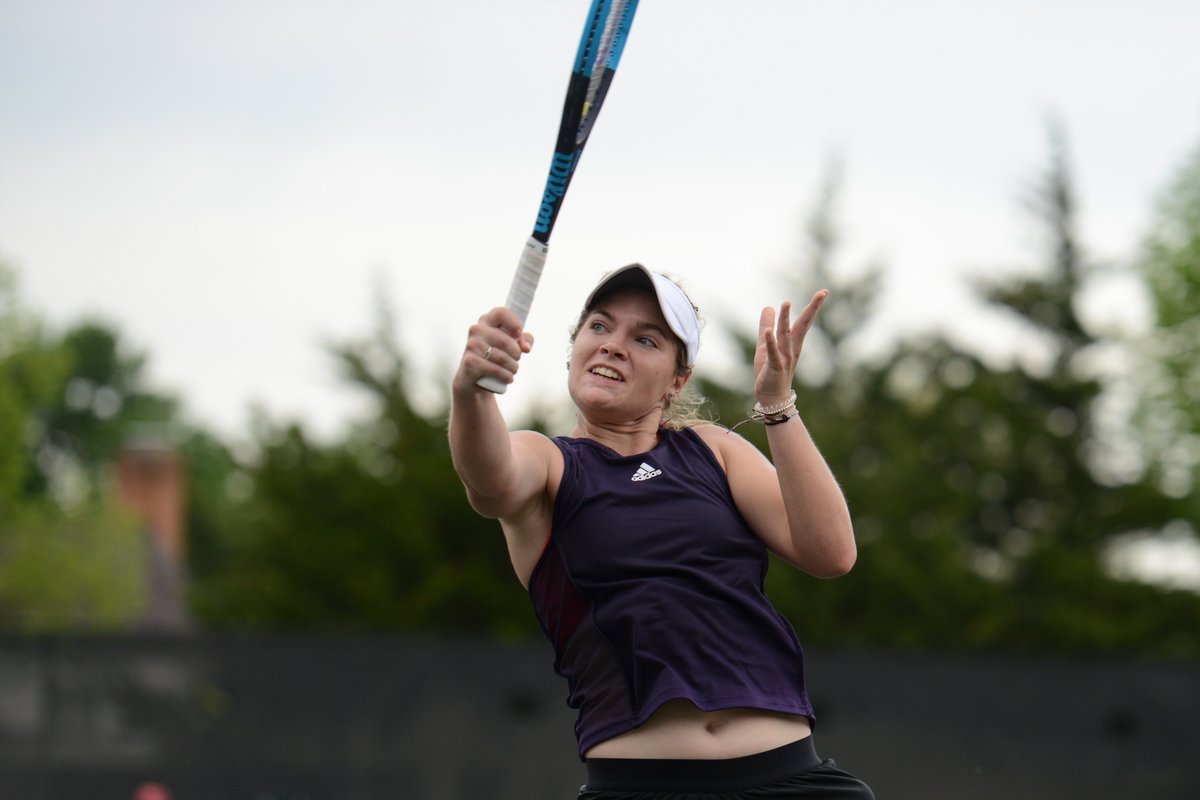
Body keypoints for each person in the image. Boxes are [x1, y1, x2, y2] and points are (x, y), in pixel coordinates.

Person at [450, 264, 873, 799]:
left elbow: (831, 552)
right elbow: (488, 480)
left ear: (678, 380)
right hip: (641, 787)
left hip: (790, 776)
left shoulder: (713, 449)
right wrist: (472, 392)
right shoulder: (549, 461)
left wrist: (776, 404)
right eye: (599, 327)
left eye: (645, 338)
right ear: (574, 349)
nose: (613, 346)